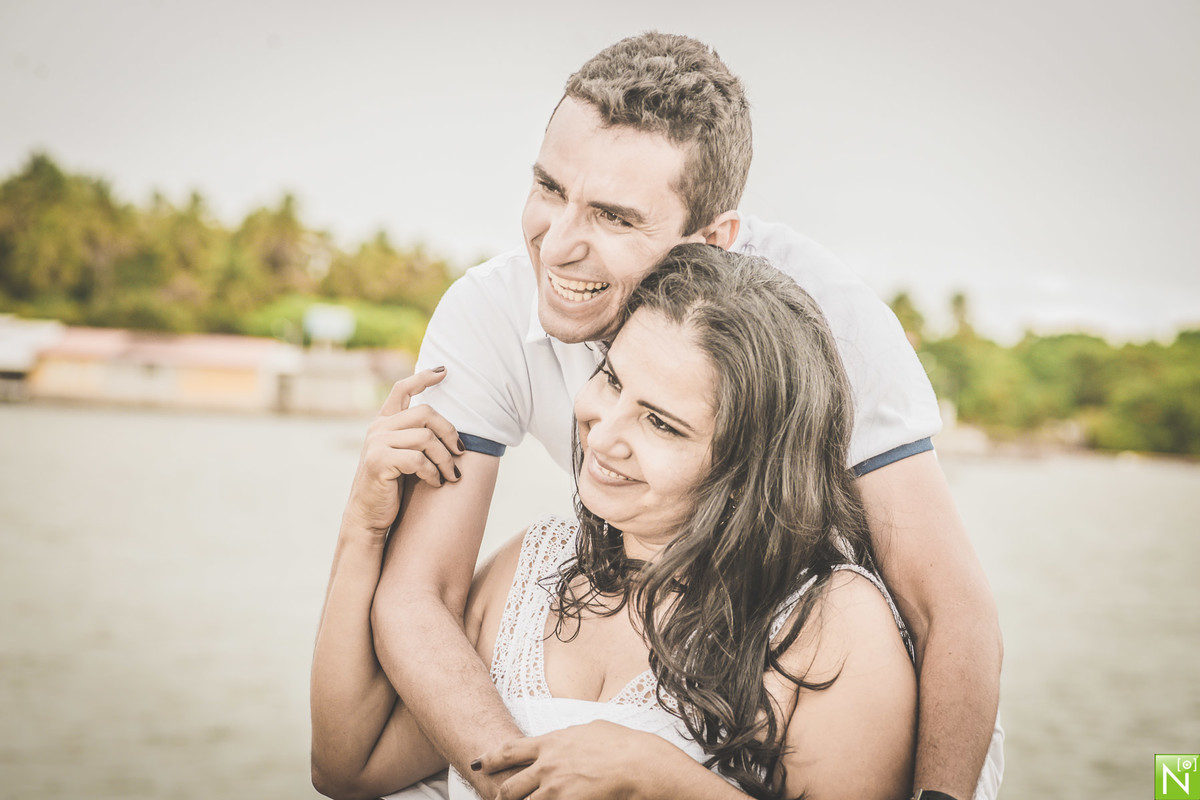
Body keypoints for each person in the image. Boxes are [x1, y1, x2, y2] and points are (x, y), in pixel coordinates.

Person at [356, 32, 1002, 800]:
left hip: (828, 681)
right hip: (657, 623)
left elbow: (947, 607)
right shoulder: (488, 313)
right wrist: (518, 777)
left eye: (615, 218)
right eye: (550, 188)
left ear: (713, 241)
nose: (557, 246)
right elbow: (417, 593)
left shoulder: (832, 326)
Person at [311, 244, 919, 800]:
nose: (604, 434)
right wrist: (363, 530)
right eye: (611, 379)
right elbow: (349, 767)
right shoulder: (534, 569)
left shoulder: (831, 625)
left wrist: (663, 780)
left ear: (751, 469)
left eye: (660, 423)